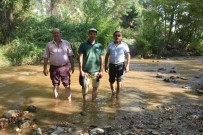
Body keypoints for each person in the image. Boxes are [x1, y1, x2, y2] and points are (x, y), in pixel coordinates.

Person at [43, 28, 74, 102]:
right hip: (53, 68)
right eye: (54, 33)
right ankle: (56, 101)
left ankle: (69, 101)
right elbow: (46, 57)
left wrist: (72, 66)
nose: (56, 34)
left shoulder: (66, 43)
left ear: (61, 33)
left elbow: (70, 55)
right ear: (52, 34)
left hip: (64, 67)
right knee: (55, 84)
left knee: (67, 84)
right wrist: (45, 68)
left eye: (57, 33)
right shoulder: (49, 44)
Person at [78, 28, 105, 102]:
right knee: (84, 88)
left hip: (96, 71)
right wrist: (80, 70)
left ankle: (93, 103)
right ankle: (85, 104)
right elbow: (80, 58)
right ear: (88, 34)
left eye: (94, 34)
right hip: (85, 71)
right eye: (91, 33)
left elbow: (102, 59)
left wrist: (101, 71)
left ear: (96, 35)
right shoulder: (83, 45)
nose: (92, 35)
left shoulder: (100, 46)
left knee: (95, 88)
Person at [105, 31, 131, 98]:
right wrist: (105, 65)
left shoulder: (124, 45)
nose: (117, 37)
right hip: (111, 65)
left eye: (119, 35)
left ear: (121, 37)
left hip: (121, 65)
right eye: (116, 35)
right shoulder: (110, 45)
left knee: (119, 81)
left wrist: (127, 65)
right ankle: (113, 92)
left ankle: (118, 95)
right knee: (111, 80)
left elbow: (128, 55)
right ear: (114, 36)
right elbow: (107, 55)